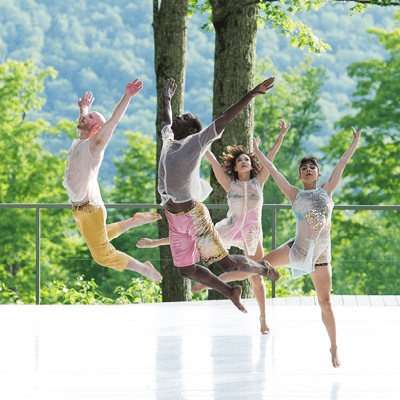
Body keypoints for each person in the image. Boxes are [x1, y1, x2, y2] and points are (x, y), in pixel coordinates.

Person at [138, 119, 291, 333]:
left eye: (248, 159)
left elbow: (271, 159)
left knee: (257, 277)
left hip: (251, 232)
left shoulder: (259, 181)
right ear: (235, 167)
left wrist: (281, 135)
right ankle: (156, 243)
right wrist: (198, 138)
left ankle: (263, 319)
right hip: (230, 227)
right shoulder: (230, 184)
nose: (245, 162)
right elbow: (209, 157)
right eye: (241, 161)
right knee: (194, 238)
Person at [154, 77, 280, 313]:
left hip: (194, 216)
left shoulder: (197, 142)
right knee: (186, 270)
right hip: (174, 218)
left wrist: (251, 94)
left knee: (228, 264)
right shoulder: (169, 138)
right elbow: (166, 119)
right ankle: (231, 291)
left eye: (185, 117)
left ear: (192, 129)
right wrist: (166, 99)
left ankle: (262, 268)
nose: (178, 118)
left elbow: (224, 119)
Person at [250, 126, 362, 368]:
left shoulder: (327, 191)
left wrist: (355, 141)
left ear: (319, 175)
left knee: (325, 301)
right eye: (304, 169)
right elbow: (273, 170)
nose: (308, 170)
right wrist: (258, 151)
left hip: (321, 256)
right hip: (298, 250)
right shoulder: (295, 194)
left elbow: (342, 163)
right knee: (258, 266)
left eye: (312, 168)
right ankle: (228, 283)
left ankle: (334, 346)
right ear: (300, 177)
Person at [62, 80, 162, 283]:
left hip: (90, 210)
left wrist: (127, 96)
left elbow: (113, 121)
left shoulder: (95, 145)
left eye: (88, 118)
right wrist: (84, 108)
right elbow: (83, 123)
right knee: (99, 237)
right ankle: (135, 221)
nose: (83, 118)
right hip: (80, 211)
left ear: (96, 127)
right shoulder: (80, 141)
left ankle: (145, 270)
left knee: (102, 254)